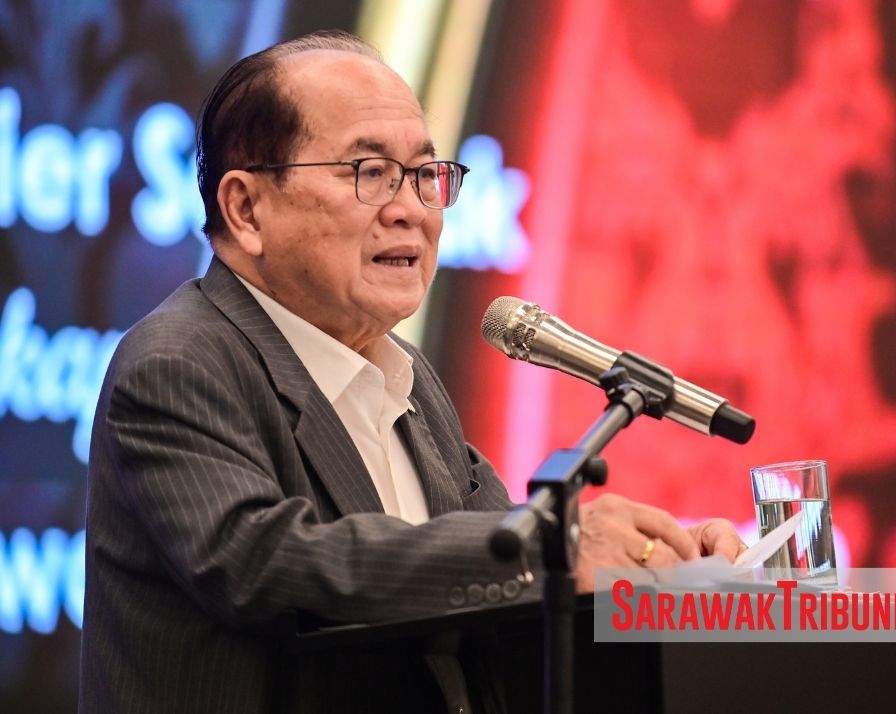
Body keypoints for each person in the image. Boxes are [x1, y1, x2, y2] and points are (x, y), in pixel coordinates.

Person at [79, 30, 744, 713]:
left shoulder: (408, 377)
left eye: (426, 175)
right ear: (247, 209)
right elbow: (272, 565)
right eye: (369, 172)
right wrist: (555, 550)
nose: (410, 211)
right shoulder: (178, 365)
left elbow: (500, 559)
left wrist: (663, 565)